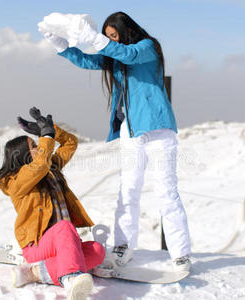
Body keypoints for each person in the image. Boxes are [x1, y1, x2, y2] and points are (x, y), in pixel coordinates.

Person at [43, 11, 192, 271]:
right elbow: (88, 61)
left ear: (127, 31)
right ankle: (123, 246)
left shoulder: (148, 47)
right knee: (128, 190)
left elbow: (129, 55)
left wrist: (96, 38)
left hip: (158, 128)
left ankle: (181, 254)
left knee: (166, 192)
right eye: (108, 37)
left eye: (114, 35)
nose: (112, 41)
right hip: (131, 132)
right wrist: (61, 46)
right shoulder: (116, 56)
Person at [0, 107, 105, 299]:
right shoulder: (15, 182)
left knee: (97, 251)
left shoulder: (50, 168)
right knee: (64, 227)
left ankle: (35, 272)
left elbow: (70, 144)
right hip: (37, 245)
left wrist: (52, 131)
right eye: (33, 146)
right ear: (21, 155)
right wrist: (46, 136)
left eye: (36, 144)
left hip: (62, 243)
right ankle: (70, 277)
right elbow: (38, 166)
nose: (38, 148)